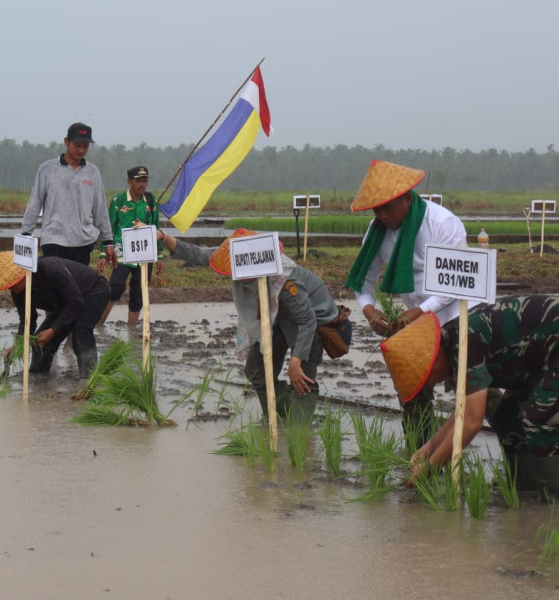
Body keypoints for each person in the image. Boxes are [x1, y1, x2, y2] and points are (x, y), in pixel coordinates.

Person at [345, 159, 472, 448]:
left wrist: (417, 312)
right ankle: (419, 455)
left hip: (457, 315)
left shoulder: (442, 223)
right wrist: (369, 310)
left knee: (473, 390)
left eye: (387, 207)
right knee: (411, 387)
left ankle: (522, 455)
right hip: (417, 320)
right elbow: (363, 281)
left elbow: (453, 285)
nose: (382, 215)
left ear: (406, 197)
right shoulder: (377, 231)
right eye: (376, 209)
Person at [159, 229, 348, 421]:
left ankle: (299, 432)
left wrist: (296, 361)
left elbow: (307, 320)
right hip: (277, 318)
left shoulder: (285, 280)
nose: (242, 275)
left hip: (312, 324)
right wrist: (164, 237)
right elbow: (198, 254)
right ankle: (278, 420)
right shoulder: (234, 255)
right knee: (256, 370)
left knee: (301, 376)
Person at [380, 296, 559, 498]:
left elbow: (472, 422)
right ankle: (525, 492)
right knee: (506, 418)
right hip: (534, 362)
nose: (435, 383)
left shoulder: (464, 341)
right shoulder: (452, 344)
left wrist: (430, 468)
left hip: (552, 348)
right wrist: (429, 447)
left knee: (539, 420)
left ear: (434, 358)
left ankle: (552, 502)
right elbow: (463, 410)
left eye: (429, 377)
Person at [0, 251, 110, 377]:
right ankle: (39, 380)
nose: (12, 288)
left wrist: (53, 330)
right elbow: (28, 319)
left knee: (81, 331)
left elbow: (76, 303)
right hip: (66, 303)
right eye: (9, 285)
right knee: (40, 343)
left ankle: (89, 378)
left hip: (93, 291)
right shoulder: (17, 291)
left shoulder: (51, 269)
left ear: (23, 274)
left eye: (13, 282)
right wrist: (19, 344)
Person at [21, 122, 117, 267]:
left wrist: (108, 241)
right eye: (77, 145)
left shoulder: (92, 172)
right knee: (54, 287)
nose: (81, 150)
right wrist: (25, 235)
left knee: (77, 288)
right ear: (66, 142)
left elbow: (100, 209)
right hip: (53, 242)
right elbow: (35, 203)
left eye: (85, 146)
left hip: (82, 243)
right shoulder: (47, 169)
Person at [97, 166, 164, 328]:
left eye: (144, 181)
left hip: (145, 253)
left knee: (139, 292)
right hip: (122, 252)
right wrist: (103, 253)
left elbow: (156, 227)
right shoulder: (118, 201)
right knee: (116, 287)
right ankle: (97, 325)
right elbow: (108, 228)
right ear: (129, 182)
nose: (142, 184)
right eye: (138, 181)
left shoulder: (151, 201)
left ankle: (131, 331)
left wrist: (160, 255)